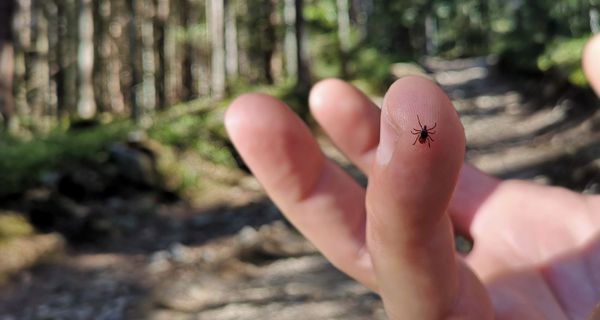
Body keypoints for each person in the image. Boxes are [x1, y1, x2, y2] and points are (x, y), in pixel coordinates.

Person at [224, 34, 600, 319]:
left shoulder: (425, 133)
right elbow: (425, 132)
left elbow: (426, 133)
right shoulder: (423, 132)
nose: (423, 133)